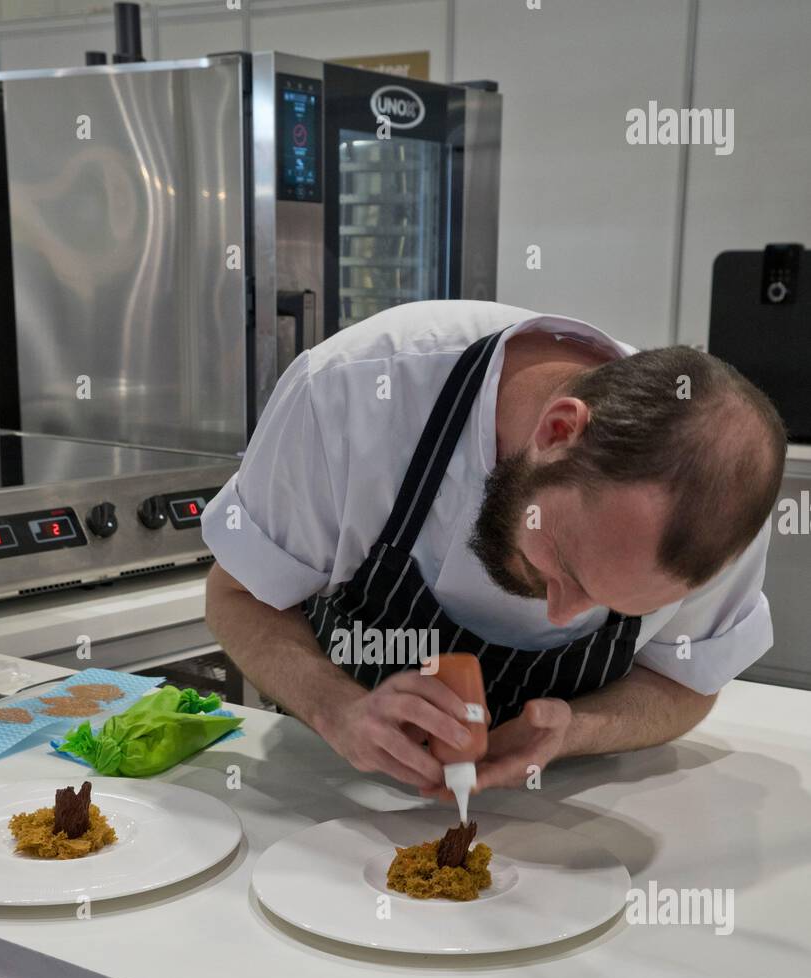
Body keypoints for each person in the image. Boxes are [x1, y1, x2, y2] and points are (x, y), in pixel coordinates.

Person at [202, 301, 785, 794]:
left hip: (563, 819)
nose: (561, 615)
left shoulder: (722, 505)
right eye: (566, 566)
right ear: (558, 431)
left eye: (612, 605)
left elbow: (686, 681)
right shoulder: (355, 392)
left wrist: (575, 731)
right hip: (331, 789)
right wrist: (338, 709)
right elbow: (236, 596)